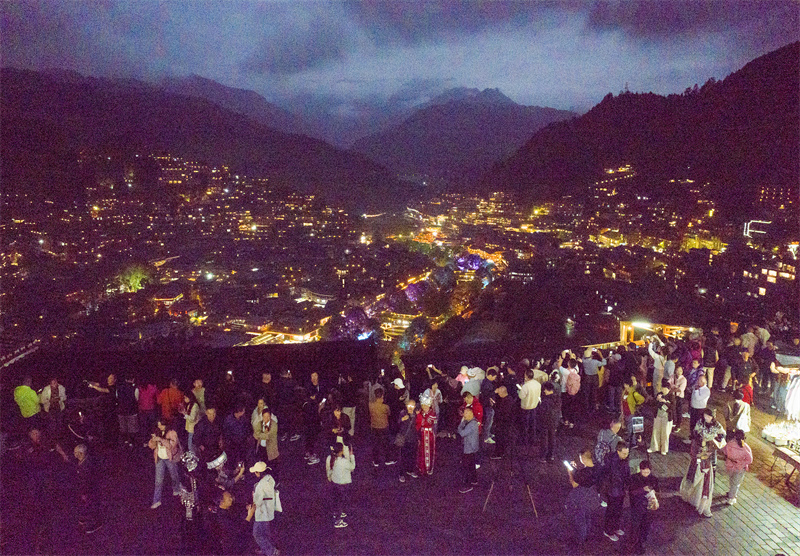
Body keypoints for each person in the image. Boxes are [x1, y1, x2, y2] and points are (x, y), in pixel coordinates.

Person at [679, 408, 725, 517]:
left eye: (708, 416)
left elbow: (722, 435)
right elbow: (695, 433)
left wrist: (715, 439)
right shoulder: (700, 422)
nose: (706, 418)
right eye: (705, 416)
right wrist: (699, 439)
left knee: (706, 478)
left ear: (713, 417)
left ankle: (702, 503)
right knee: (694, 473)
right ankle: (690, 496)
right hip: (699, 451)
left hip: (709, 452)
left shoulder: (717, 425)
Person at [565, 448, 601, 545]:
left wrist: (570, 472)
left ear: (583, 458)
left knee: (580, 518)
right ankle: (587, 535)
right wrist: (576, 469)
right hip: (593, 496)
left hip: (582, 497)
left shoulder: (583, 473)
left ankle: (580, 539)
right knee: (588, 516)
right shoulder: (597, 467)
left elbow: (574, 484)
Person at [148, 418, 183, 509]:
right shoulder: (157, 432)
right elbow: (151, 446)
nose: (160, 427)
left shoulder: (172, 433)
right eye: (158, 425)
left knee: (174, 475)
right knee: (158, 481)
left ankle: (176, 489)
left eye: (161, 425)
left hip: (169, 458)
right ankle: (156, 500)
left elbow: (171, 446)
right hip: (160, 458)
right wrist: (153, 441)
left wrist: (160, 439)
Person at [247, 461, 279, 556]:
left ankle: (271, 551)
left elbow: (257, 503)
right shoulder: (270, 478)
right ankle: (267, 548)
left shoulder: (260, 486)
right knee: (266, 532)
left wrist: (250, 507)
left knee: (257, 534)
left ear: (258, 473)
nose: (255, 473)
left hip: (261, 514)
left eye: (256, 472)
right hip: (269, 510)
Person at [628, 460, 659, 555]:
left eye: (648, 472)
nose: (646, 474)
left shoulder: (653, 479)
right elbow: (631, 492)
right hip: (637, 506)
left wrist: (654, 494)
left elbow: (657, 490)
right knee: (636, 526)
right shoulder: (634, 478)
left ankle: (642, 539)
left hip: (648, 507)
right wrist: (642, 490)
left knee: (646, 524)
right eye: (644, 472)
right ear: (640, 470)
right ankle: (636, 545)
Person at [603, 441, 630, 542]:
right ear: (618, 451)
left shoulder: (623, 459)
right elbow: (616, 477)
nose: (626, 455)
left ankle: (615, 527)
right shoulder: (613, 461)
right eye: (624, 453)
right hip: (613, 490)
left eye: (627, 453)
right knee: (612, 511)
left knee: (618, 510)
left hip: (620, 490)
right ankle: (608, 531)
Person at [73, 443, 103, 534]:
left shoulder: (86, 467)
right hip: (87, 489)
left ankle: (94, 523)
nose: (74, 454)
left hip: (88, 491)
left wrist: (84, 493)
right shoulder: (85, 462)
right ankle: (84, 521)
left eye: (76, 453)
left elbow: (86, 481)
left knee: (90, 506)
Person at [326, 442, 355, 528]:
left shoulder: (331, 459)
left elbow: (330, 470)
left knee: (337, 500)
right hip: (343, 484)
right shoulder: (344, 461)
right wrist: (352, 456)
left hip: (335, 483)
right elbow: (352, 467)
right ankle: (338, 521)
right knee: (341, 501)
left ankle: (336, 514)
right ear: (341, 451)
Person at [721, 429, 752, 505]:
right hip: (739, 468)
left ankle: (731, 493)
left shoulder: (730, 444)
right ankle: (731, 498)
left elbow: (724, 451)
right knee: (736, 483)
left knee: (732, 480)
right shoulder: (745, 447)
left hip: (730, 465)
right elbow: (750, 460)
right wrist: (742, 462)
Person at [649, 379, 674, 455]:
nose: (663, 390)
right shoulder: (659, 394)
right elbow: (653, 404)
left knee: (665, 433)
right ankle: (654, 447)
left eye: (665, 389)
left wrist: (665, 402)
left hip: (666, 417)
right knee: (656, 431)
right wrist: (657, 400)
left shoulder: (671, 396)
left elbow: (672, 407)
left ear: (669, 389)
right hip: (658, 415)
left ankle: (664, 449)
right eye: (662, 388)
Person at [457, 406, 479, 493]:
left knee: (466, 467)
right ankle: (474, 480)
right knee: (471, 465)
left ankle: (467, 485)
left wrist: (461, 424)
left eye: (466, 413)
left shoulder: (471, 424)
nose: (464, 415)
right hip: (472, 448)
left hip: (469, 448)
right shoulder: (471, 422)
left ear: (471, 413)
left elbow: (462, 433)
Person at [397, 400, 419, 482]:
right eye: (409, 405)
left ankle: (410, 470)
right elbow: (397, 423)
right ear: (406, 406)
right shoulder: (403, 413)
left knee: (412, 456)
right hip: (405, 439)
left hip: (413, 439)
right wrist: (402, 419)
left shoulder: (416, 414)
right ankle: (401, 474)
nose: (410, 407)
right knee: (403, 457)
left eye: (412, 406)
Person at [369, 387, 392, 466]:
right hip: (384, 427)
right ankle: (387, 459)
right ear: (382, 396)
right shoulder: (385, 407)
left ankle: (376, 461)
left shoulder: (371, 405)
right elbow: (389, 414)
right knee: (386, 444)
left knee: (376, 444)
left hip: (374, 427)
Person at [416, 392, 437, 476]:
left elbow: (429, 422)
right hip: (422, 433)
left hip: (429, 434)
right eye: (423, 405)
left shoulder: (432, 414)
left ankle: (428, 468)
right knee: (421, 450)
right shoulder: (420, 413)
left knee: (429, 450)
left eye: (426, 406)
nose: (425, 407)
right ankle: (422, 467)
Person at [491, 385, 514, 460]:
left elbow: (501, 413)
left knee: (500, 439)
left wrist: (494, 406)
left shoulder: (506, 402)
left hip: (502, 424)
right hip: (506, 424)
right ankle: (502, 452)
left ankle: (499, 453)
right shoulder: (509, 399)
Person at [539, 381, 560, 462]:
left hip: (545, 422)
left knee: (544, 439)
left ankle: (543, 456)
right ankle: (551, 455)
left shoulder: (545, 401)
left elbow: (542, 412)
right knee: (552, 438)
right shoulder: (557, 398)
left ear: (547, 390)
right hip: (554, 421)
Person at [519, 369, 541, 446]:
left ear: (526, 376)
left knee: (525, 426)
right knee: (533, 425)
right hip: (534, 407)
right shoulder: (538, 384)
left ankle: (524, 441)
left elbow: (521, 396)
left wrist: (520, 389)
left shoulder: (526, 386)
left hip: (526, 408)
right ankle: (533, 440)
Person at [116, 374, 139, 448]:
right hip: (131, 411)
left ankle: (125, 441)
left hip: (121, 411)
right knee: (132, 429)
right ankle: (131, 443)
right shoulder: (135, 388)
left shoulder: (118, 388)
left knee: (123, 428)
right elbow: (136, 399)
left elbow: (117, 398)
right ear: (132, 379)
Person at [688, 375, 711, 440]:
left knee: (698, 425)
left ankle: (697, 440)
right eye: (698, 380)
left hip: (700, 410)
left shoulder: (706, 391)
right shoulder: (696, 387)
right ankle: (691, 438)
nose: (698, 382)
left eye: (700, 380)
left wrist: (696, 390)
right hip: (693, 408)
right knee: (692, 424)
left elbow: (698, 398)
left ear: (704, 382)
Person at [137, 378, 159, 446]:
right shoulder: (153, 388)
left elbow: (137, 399)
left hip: (144, 410)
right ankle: (152, 441)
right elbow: (158, 399)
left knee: (144, 427)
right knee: (151, 427)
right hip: (150, 410)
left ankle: (146, 442)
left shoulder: (140, 388)